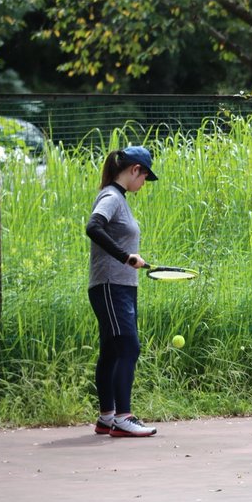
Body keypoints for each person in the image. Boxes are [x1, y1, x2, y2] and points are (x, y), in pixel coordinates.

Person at [86, 146, 159, 437]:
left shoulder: (120, 199)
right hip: (110, 286)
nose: (144, 184)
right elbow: (93, 226)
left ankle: (107, 418)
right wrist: (125, 257)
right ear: (135, 170)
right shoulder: (111, 196)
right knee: (129, 347)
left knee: (112, 351)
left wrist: (129, 259)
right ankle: (124, 417)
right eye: (144, 177)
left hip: (120, 286)